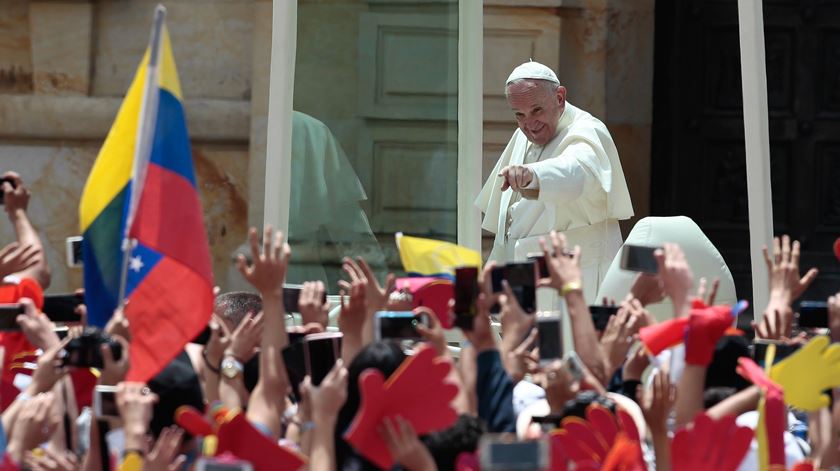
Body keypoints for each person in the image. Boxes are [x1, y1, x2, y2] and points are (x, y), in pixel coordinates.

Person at [475, 61, 633, 303]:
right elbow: (507, 226)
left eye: (537, 110)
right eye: (519, 115)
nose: (529, 124)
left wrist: (533, 176)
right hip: (526, 282)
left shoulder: (587, 130)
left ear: (559, 97)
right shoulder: (522, 135)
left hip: (578, 281)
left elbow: (576, 172)